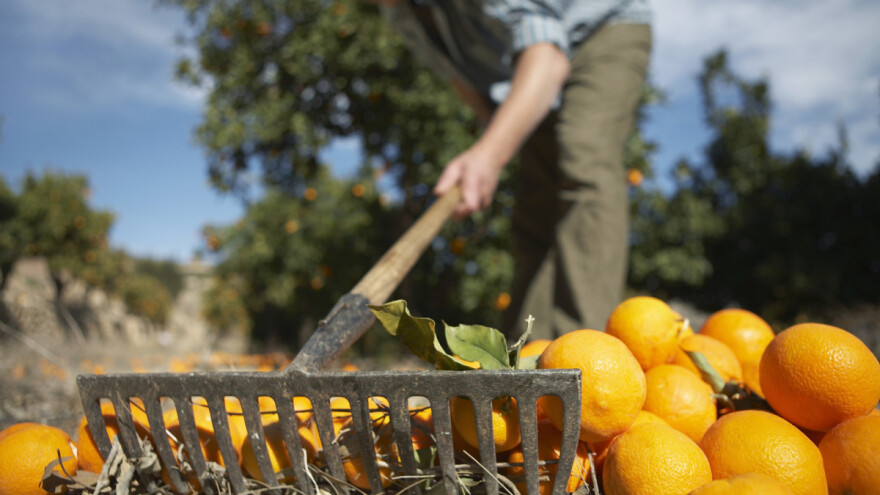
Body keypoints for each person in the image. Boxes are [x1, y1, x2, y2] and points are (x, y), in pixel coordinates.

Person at [374, 0, 652, 340]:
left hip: (600, 29)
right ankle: (527, 349)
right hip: (531, 68)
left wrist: (489, 155)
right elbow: (459, 76)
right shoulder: (396, 9)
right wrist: (495, 137)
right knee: (535, 206)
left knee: (583, 158)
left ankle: (583, 351)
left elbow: (547, 58)